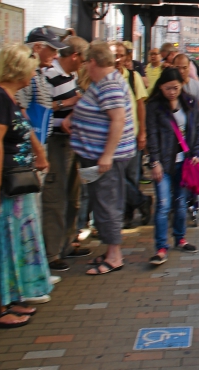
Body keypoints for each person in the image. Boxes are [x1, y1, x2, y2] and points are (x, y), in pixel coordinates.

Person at [0, 44, 52, 323]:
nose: (34, 72)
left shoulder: (7, 97)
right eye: (31, 67)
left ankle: (10, 299)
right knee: (1, 244)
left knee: (13, 245)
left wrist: (39, 152)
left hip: (15, 186)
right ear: (19, 69)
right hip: (5, 186)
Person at [64, 41, 136, 275]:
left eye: (85, 62)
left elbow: (118, 120)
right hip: (95, 156)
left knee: (107, 204)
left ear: (92, 62)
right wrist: (73, 118)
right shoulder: (102, 83)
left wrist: (107, 155)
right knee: (102, 202)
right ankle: (110, 251)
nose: (84, 66)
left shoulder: (110, 85)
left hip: (105, 160)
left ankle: (115, 256)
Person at [42, 36, 90, 272]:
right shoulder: (49, 74)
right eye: (83, 58)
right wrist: (66, 104)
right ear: (75, 56)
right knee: (55, 197)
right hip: (55, 143)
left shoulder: (71, 76)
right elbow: (41, 108)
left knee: (73, 195)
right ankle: (51, 253)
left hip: (71, 142)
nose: (84, 63)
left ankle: (69, 243)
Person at [145, 68, 199, 265]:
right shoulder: (154, 106)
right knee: (163, 205)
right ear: (160, 86)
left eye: (176, 88)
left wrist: (196, 152)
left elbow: (198, 129)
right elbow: (151, 135)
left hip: (185, 163)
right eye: (168, 88)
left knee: (180, 204)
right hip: (163, 163)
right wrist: (154, 162)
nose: (172, 92)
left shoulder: (189, 103)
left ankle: (180, 238)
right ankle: (161, 247)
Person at [110, 42, 152, 229]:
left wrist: (142, 132)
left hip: (132, 136)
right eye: (114, 55)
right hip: (111, 138)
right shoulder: (106, 78)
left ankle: (127, 215)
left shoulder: (133, 77)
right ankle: (141, 201)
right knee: (116, 178)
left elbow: (141, 106)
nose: (117, 59)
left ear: (127, 57)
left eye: (121, 55)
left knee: (131, 176)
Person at [17, 27, 68, 144]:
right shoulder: (25, 75)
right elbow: (21, 114)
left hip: (37, 144)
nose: (56, 56)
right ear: (37, 48)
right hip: (28, 147)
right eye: (53, 50)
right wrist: (38, 150)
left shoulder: (39, 73)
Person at [173, 54, 199, 120]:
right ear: (172, 67)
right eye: (177, 67)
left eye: (184, 67)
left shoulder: (198, 86)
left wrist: (193, 125)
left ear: (189, 67)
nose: (181, 71)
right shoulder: (168, 86)